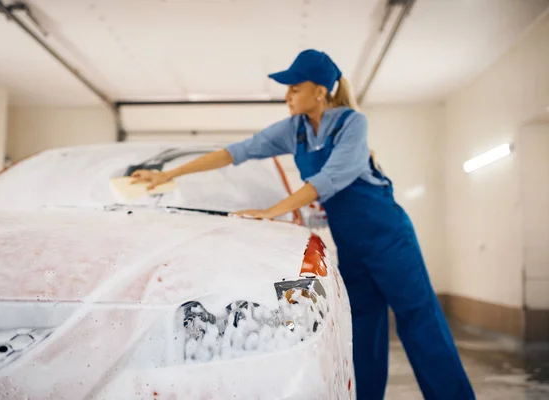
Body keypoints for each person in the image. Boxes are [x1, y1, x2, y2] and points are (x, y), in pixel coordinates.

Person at [131, 49, 475, 400]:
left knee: (419, 321)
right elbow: (236, 151)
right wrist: (167, 173)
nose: (287, 96)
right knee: (364, 330)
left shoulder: (352, 124)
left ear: (320, 90)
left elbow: (330, 178)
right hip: (352, 246)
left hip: (389, 238)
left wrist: (272, 210)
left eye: (295, 87)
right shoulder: (294, 131)